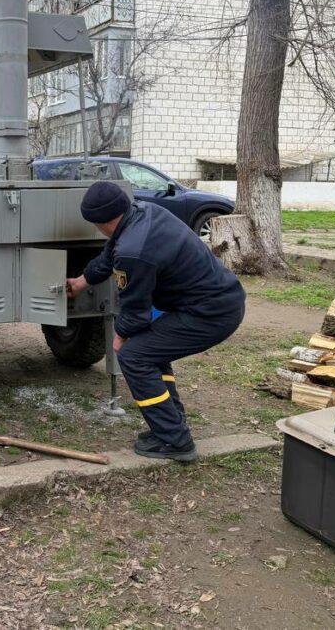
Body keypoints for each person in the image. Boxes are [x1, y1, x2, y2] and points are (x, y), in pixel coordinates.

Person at [67, 181, 245, 462]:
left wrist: (120, 337)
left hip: (211, 314)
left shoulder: (133, 251)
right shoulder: (141, 213)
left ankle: (175, 441)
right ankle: (172, 423)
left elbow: (136, 310)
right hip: (216, 302)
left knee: (135, 356)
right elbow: (108, 257)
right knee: (148, 351)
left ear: (100, 222)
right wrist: (80, 282)